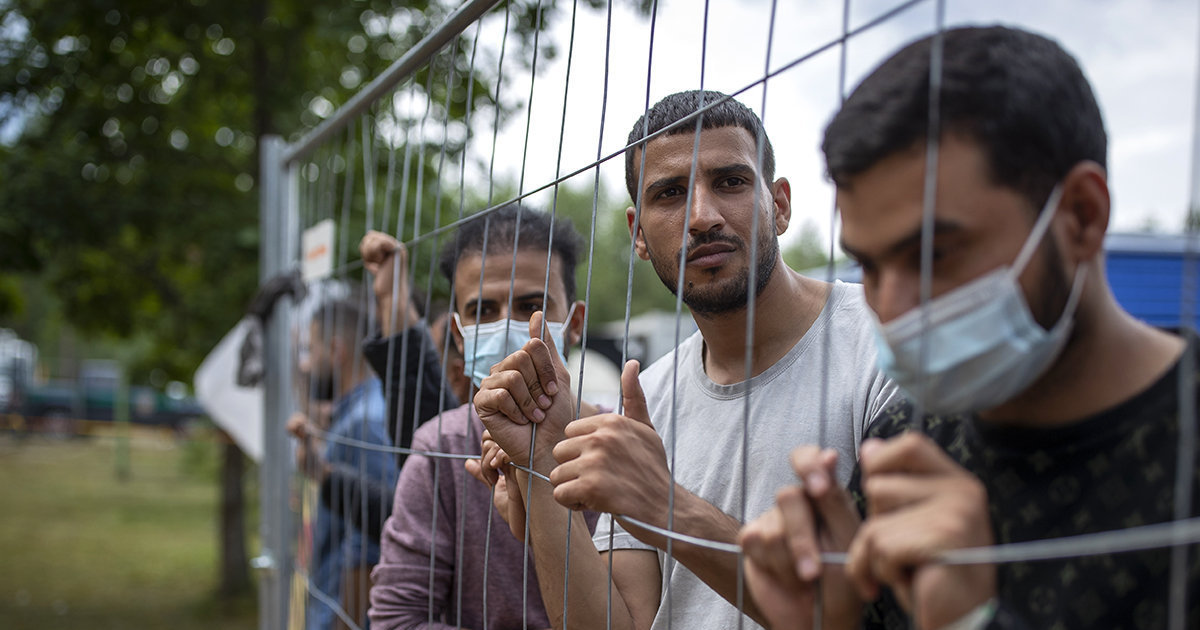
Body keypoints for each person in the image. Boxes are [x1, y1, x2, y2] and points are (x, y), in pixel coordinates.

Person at [739, 25, 1200, 630]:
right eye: (870, 265)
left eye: (935, 254)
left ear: (1082, 217)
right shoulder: (904, 444)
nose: (891, 306)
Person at [474, 91, 901, 629]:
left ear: (782, 205)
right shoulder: (646, 398)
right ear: (638, 235)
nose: (701, 216)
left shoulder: (888, 347)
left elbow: (898, 608)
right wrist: (539, 468)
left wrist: (667, 508)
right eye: (670, 194)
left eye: (730, 182)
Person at [369, 204, 602, 630]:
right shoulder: (440, 447)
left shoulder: (622, 441)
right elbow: (395, 619)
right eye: (484, 311)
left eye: (531, 305)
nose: (509, 326)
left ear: (574, 323)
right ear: (460, 334)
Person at [303, 297, 401, 630]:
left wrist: (343, 623)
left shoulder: (364, 423)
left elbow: (372, 543)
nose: (306, 363)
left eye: (310, 349)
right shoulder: (355, 415)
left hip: (342, 616)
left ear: (336, 349)